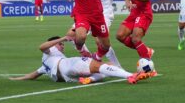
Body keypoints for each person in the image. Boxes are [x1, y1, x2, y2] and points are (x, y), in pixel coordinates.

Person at [56, 0, 131, 67]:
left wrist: (127, 0)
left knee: (100, 41)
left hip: (104, 12)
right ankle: (88, 58)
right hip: (87, 11)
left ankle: (116, 66)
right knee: (71, 35)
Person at [9, 36, 155, 84]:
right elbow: (41, 46)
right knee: (100, 66)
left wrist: (17, 79)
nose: (62, 46)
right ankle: (130, 75)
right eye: (61, 45)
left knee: (106, 66)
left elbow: (33, 75)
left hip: (67, 76)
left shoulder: (46, 63)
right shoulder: (50, 51)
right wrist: (61, 39)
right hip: (66, 66)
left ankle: (90, 79)